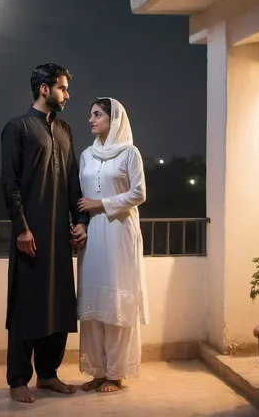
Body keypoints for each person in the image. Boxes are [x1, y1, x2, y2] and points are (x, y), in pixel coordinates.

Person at [0, 62, 88, 403]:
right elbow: (9, 183)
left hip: (58, 235)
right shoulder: (17, 128)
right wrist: (21, 227)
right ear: (44, 89)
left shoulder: (64, 129)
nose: (67, 94)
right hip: (30, 234)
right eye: (63, 88)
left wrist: (80, 221)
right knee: (26, 304)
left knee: (58, 303)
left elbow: (72, 180)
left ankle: (48, 374)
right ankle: (18, 378)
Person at [76, 97, 149, 393]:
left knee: (116, 300)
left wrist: (102, 203)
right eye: (90, 115)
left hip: (119, 231)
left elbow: (139, 193)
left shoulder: (130, 153)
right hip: (92, 233)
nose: (90, 120)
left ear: (113, 119)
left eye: (96, 115)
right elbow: (80, 196)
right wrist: (80, 221)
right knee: (93, 306)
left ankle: (115, 372)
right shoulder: (86, 155)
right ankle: (97, 369)